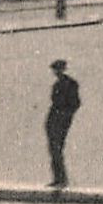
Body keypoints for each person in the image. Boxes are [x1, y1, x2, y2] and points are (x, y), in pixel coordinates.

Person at [45, 59, 81, 188]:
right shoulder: (57, 85)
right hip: (54, 119)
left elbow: (75, 104)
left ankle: (61, 179)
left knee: (57, 148)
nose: (56, 72)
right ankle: (58, 178)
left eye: (58, 69)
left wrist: (65, 115)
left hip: (62, 120)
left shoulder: (71, 84)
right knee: (54, 149)